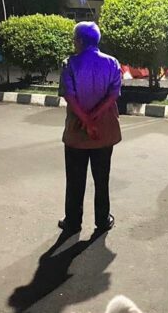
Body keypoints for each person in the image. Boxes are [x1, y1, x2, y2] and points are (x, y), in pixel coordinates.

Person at [58, 22, 122, 234]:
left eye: (74, 39)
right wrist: (94, 118)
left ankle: (73, 221)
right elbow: (113, 95)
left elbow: (69, 96)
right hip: (103, 132)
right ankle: (102, 219)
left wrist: (85, 120)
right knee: (102, 179)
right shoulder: (112, 63)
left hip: (77, 132)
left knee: (75, 180)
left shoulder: (70, 64)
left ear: (80, 41)